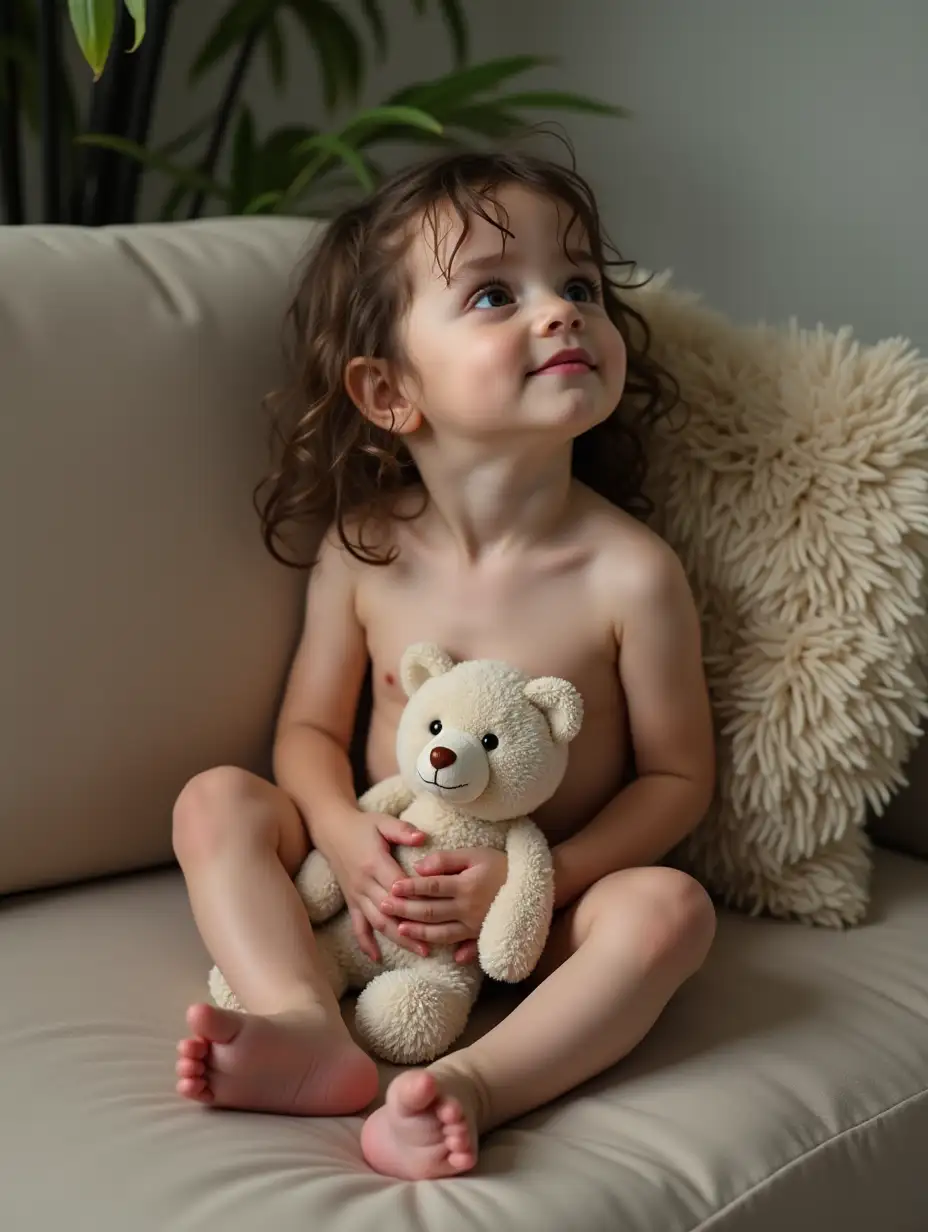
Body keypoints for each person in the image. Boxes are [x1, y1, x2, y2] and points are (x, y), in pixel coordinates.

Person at [171, 148, 717, 1180]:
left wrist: (537, 884)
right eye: (495, 293)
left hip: (530, 925)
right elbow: (306, 734)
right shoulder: (364, 552)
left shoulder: (630, 574)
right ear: (388, 390)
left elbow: (678, 779)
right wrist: (343, 830)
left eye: (580, 286)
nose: (560, 311)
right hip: (372, 894)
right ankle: (304, 1022)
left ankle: (471, 1086)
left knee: (670, 912)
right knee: (214, 800)